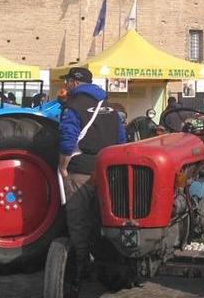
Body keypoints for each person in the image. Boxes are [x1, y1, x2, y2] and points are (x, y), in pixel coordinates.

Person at [57, 67, 124, 298]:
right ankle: (109, 267)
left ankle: (80, 269)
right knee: (104, 219)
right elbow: (122, 141)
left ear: (75, 83)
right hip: (107, 173)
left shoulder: (73, 107)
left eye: (68, 81)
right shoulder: (111, 109)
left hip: (81, 171)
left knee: (78, 221)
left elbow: (67, 138)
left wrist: (63, 166)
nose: (66, 86)